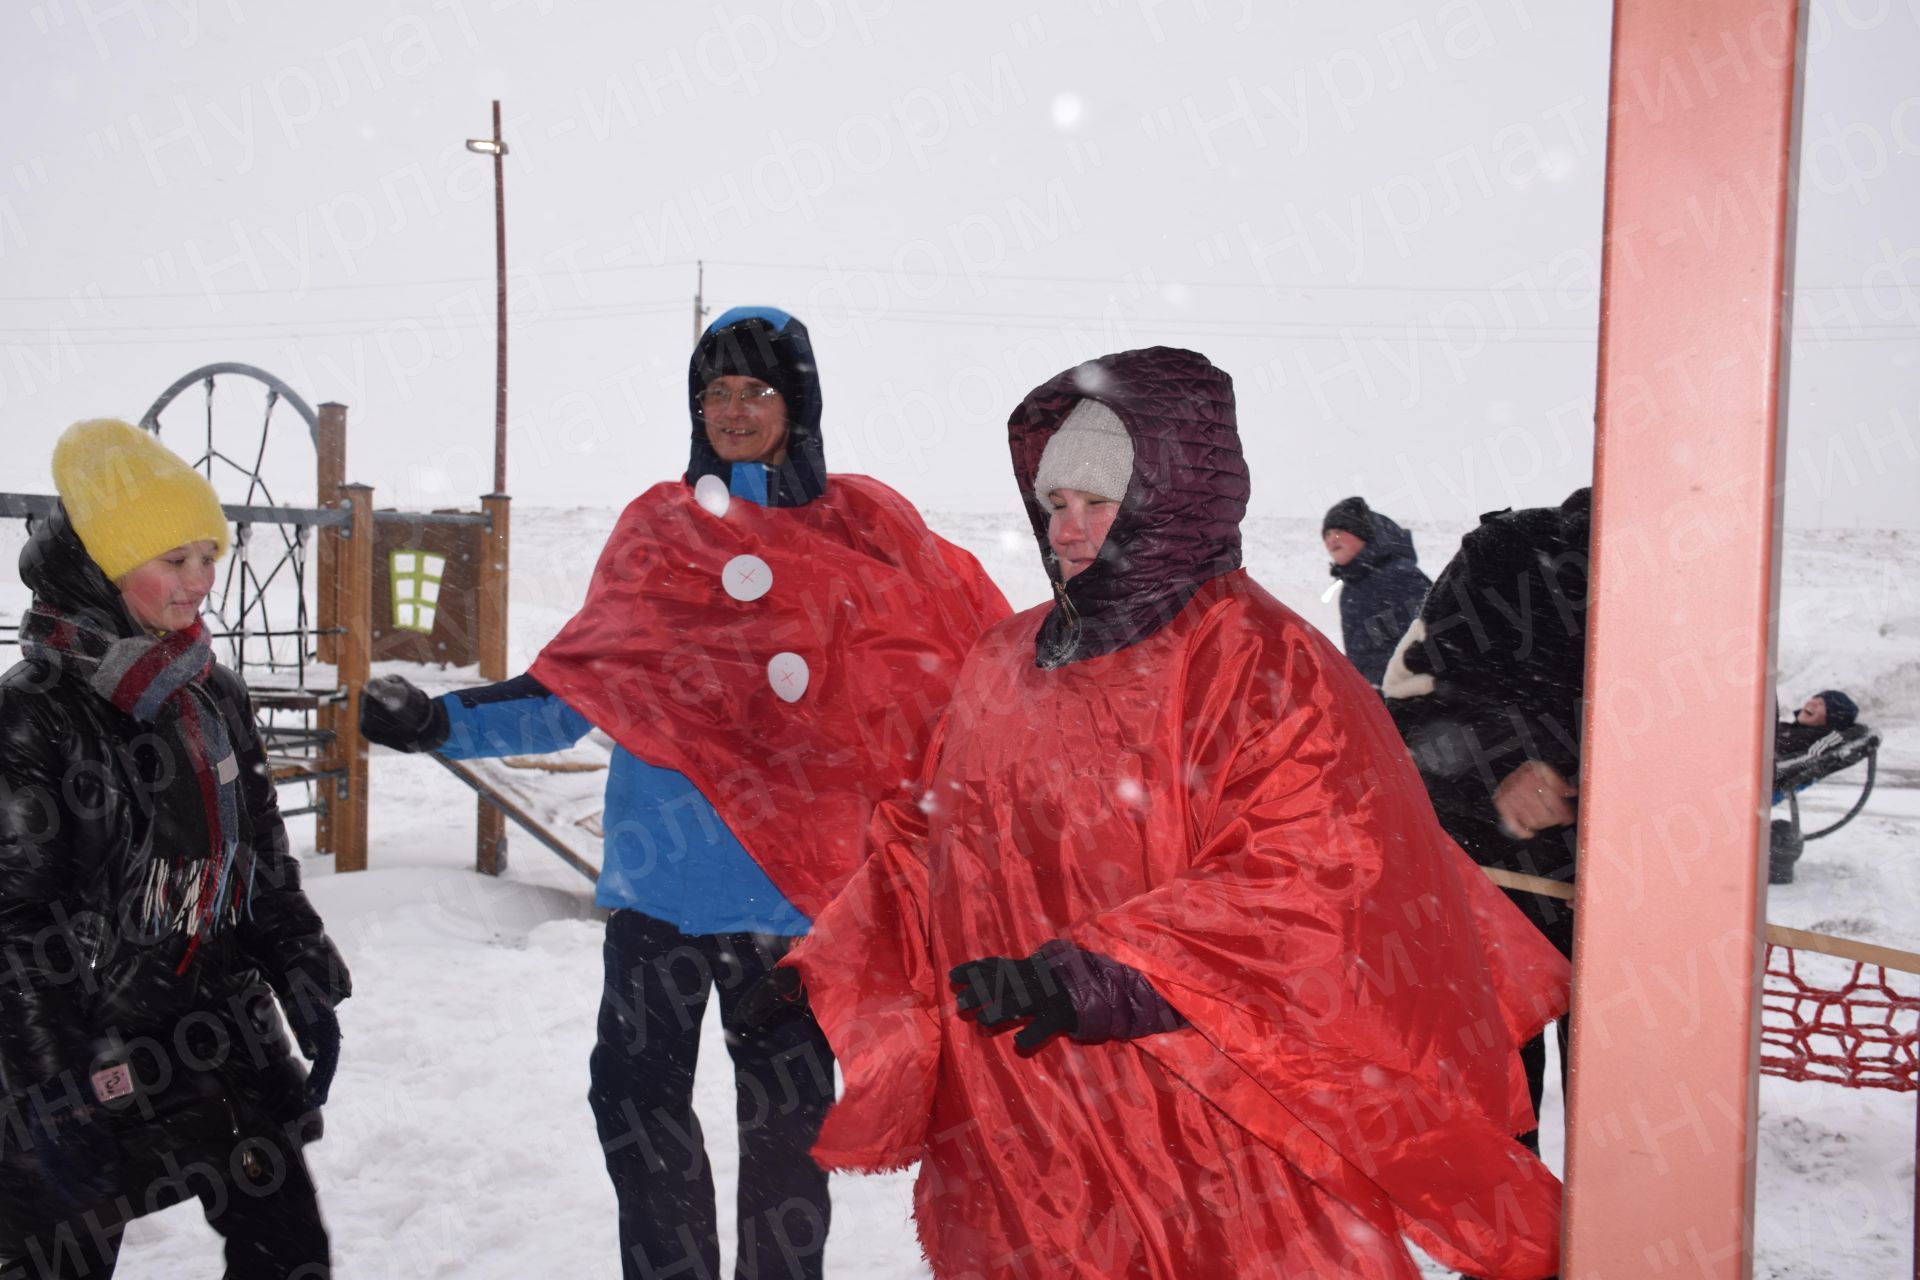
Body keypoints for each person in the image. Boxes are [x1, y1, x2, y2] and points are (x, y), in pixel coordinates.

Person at [770, 349, 1571, 1279]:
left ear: (1171, 499)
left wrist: (1113, 974)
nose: (1068, 530)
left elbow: (1324, 867)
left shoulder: (1263, 662)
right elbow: (929, 839)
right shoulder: (1002, 661)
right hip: (1021, 1113)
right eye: (1054, 503)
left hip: (1209, 1112)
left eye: (1097, 503)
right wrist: (825, 965)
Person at [357, 306, 1009, 1280]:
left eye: (757, 390)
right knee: (631, 1095)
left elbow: (956, 655)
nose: (735, 409)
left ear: (797, 401)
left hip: (794, 905)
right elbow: (574, 687)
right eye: (717, 391)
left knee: (786, 1128)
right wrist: (438, 722)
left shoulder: (859, 526)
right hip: (659, 899)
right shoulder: (662, 529)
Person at [1, 419, 352, 1278]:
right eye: (174, 560)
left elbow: (260, 853)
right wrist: (55, 1086)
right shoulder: (34, 710)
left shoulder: (209, 691)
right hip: (85, 1040)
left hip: (214, 1028)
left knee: (288, 1251)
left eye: (209, 555)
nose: (201, 582)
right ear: (106, 564)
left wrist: (301, 966)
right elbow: (15, 919)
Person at [1382, 487, 1592, 1158]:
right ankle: (1511, 1256)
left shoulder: (1712, 578)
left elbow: (1737, 735)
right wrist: (1511, 764)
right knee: (1500, 1095)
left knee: (1633, 1119)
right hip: (1497, 876)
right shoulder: (1504, 554)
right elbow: (1411, 696)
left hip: (1639, 892)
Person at [1322, 495, 1432, 689]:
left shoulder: (1399, 575)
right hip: (1377, 697)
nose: (1331, 540)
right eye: (1327, 534)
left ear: (1361, 533)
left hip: (1409, 697)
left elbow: (1431, 635)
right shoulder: (1352, 586)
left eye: (1339, 531)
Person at [1775, 689, 1860, 764]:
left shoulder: (1811, 738)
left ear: (1832, 718)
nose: (1812, 702)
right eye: (1814, 698)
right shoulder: (1789, 728)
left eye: (1821, 704)